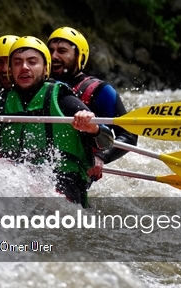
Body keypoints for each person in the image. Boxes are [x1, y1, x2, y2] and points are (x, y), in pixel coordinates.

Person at [0, 36, 114, 206]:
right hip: (15, 179)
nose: (24, 67)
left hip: (63, 179)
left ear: (46, 68)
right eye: (17, 63)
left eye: (32, 62)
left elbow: (107, 141)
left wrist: (93, 128)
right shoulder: (0, 103)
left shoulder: (62, 99)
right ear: (11, 70)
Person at [47, 26, 138, 178]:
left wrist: (102, 156)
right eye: (50, 51)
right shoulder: (39, 86)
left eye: (62, 51)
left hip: (78, 170)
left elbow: (129, 135)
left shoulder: (101, 91)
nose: (53, 56)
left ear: (79, 57)